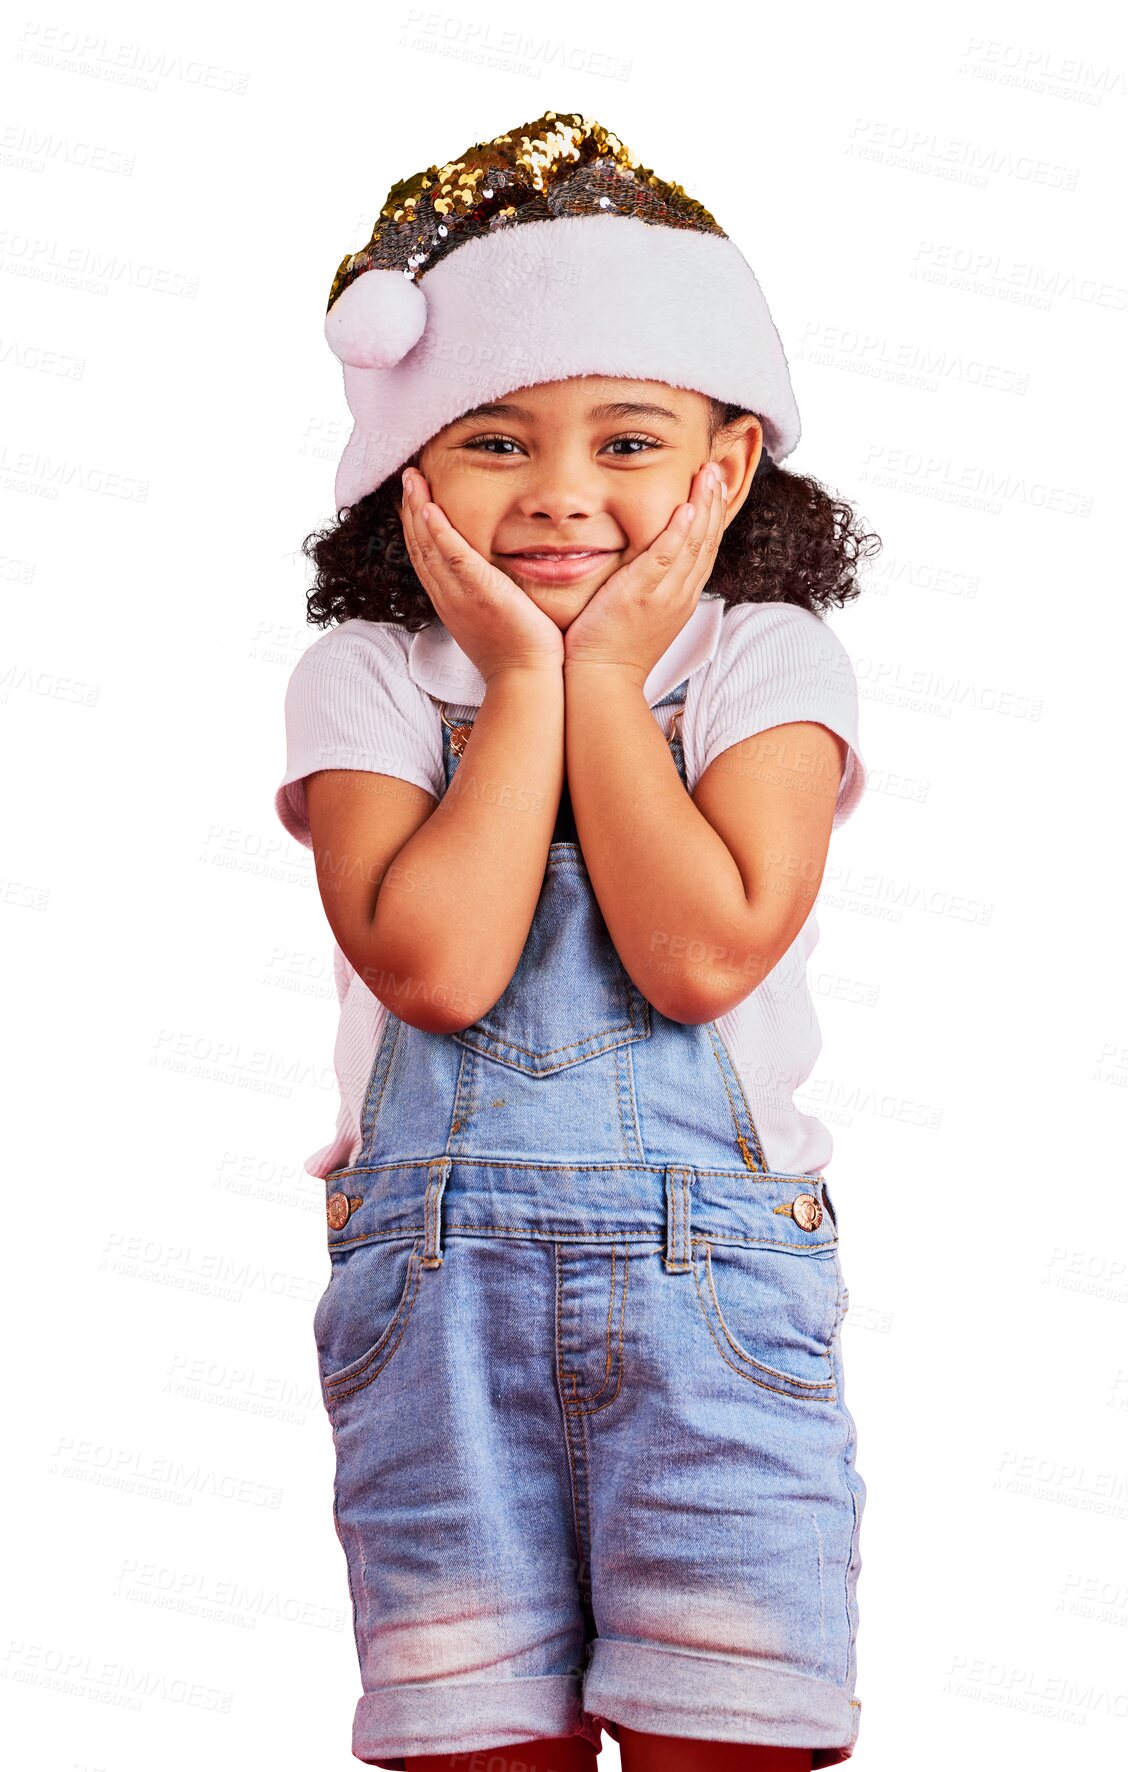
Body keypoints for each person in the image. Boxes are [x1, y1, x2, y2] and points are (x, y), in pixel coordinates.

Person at [274, 110, 882, 1772]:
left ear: (728, 461)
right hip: (437, 1316)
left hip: (721, 1316)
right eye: (491, 440)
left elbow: (700, 958)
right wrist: (532, 677)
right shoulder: (373, 683)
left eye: (627, 442)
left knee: (735, 1741)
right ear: (401, 462)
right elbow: (441, 969)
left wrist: (605, 679)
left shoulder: (763, 665)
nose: (560, 495)